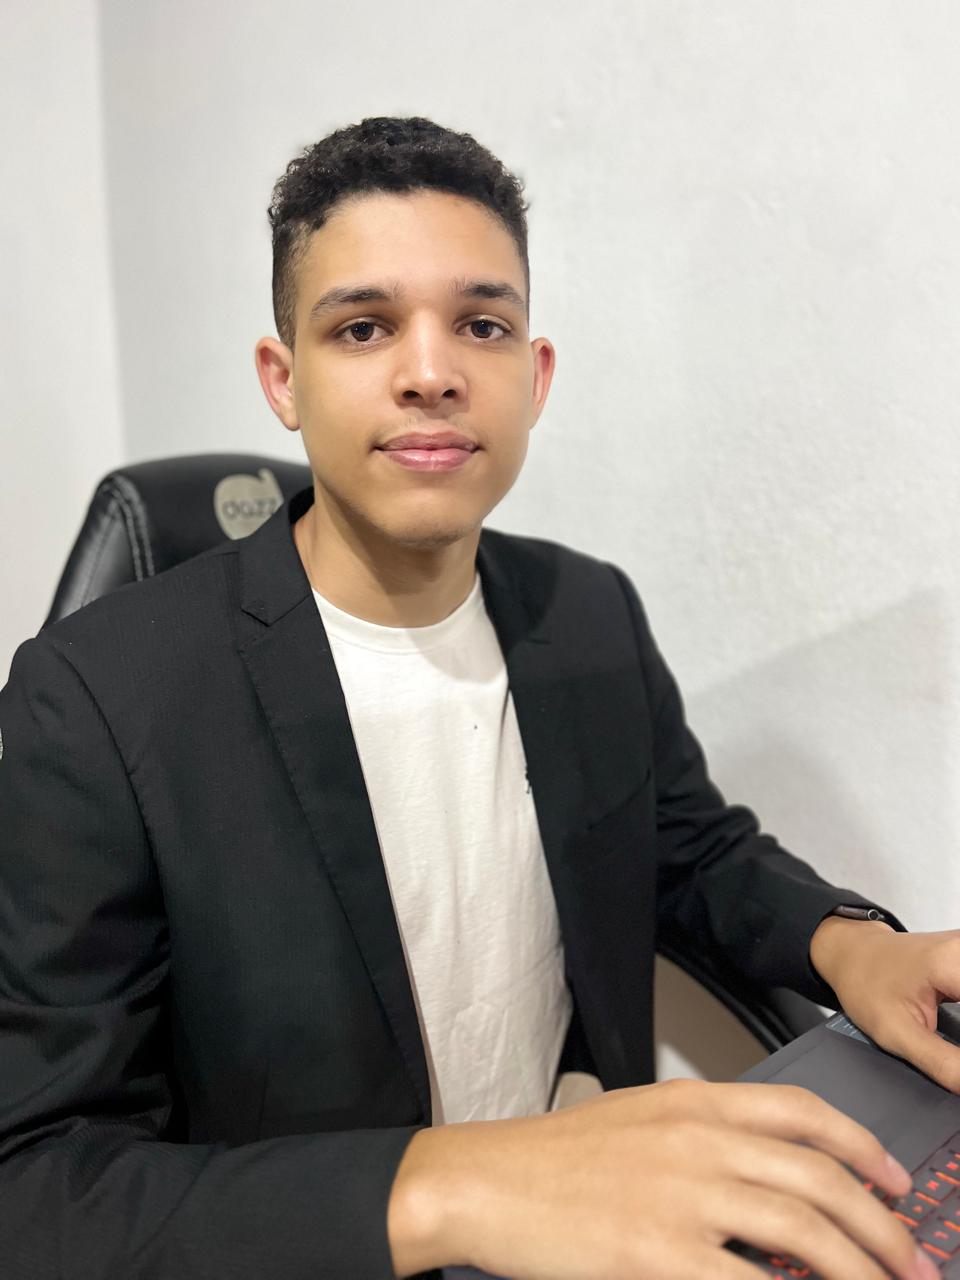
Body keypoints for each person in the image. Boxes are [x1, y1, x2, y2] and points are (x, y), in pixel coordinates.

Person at [0, 115, 952, 1280]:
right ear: (284, 380)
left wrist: (851, 945)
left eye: (481, 324)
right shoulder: (99, 695)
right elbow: (36, 1184)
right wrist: (460, 1184)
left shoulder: (586, 609)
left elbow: (689, 848)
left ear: (534, 376)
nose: (432, 371)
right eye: (364, 326)